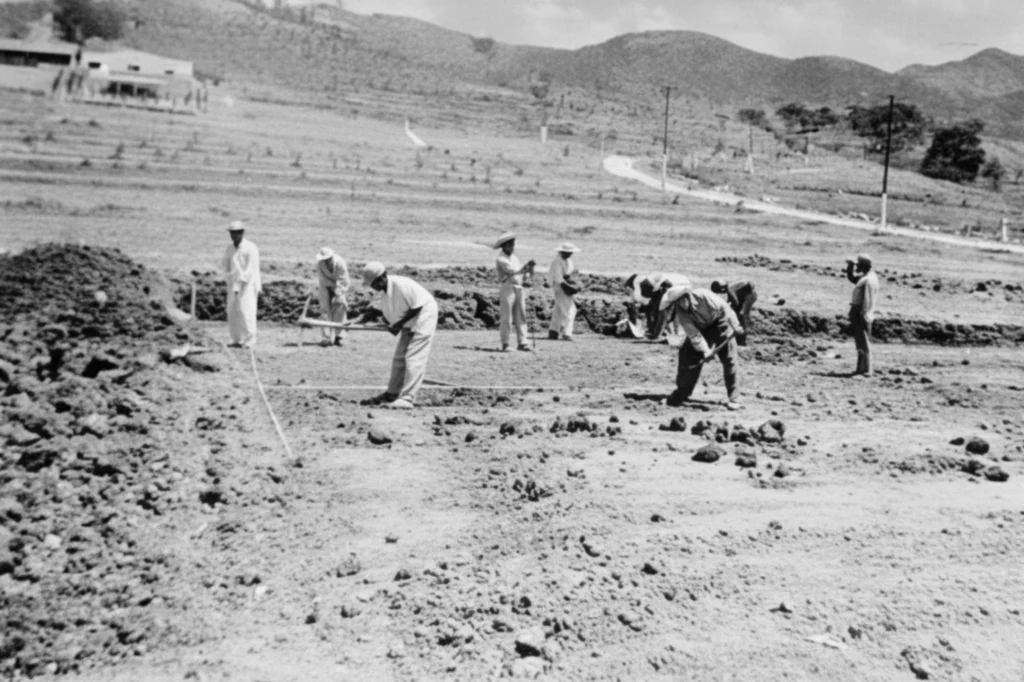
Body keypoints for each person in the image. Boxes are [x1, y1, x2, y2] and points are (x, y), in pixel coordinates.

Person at [361, 262, 438, 409]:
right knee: (399, 358)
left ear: (382, 277)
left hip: (424, 316)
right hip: (409, 319)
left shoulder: (402, 284)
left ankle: (408, 398)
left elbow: (418, 306)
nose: (373, 287)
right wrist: (354, 322)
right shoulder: (384, 292)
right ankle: (392, 393)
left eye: (374, 283)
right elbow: (375, 311)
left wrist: (398, 324)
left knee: (414, 358)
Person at [659, 285, 742, 410]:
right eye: (676, 304)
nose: (679, 306)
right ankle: (683, 392)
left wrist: (735, 325)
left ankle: (734, 397)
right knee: (686, 354)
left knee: (729, 358)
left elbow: (725, 308)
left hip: (721, 320)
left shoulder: (704, 296)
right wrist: (706, 351)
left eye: (679, 302)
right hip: (701, 328)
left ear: (687, 296)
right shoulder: (682, 313)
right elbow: (695, 335)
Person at [221, 220, 261, 347]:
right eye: (232, 233)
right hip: (232, 284)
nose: (234, 236)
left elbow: (251, 268)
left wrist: (240, 283)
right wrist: (229, 280)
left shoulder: (251, 247)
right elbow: (226, 265)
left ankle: (250, 338)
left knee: (246, 311)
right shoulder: (229, 248)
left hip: (247, 285)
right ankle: (236, 339)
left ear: (242, 233)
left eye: (237, 233)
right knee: (232, 311)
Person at [493, 232, 536, 351]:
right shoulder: (501, 259)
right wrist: (525, 267)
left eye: (513, 245)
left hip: (518, 286)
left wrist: (529, 269)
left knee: (521, 315)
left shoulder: (515, 258)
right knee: (507, 316)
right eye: (510, 245)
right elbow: (513, 272)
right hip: (508, 287)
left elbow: (522, 274)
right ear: (504, 246)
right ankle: (505, 343)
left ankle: (522, 342)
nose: (512, 247)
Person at [625, 272, 691, 339]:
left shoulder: (640, 282)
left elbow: (638, 297)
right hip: (674, 292)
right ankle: (669, 332)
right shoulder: (650, 281)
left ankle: (657, 334)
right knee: (668, 314)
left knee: (663, 315)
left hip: (669, 293)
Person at [846, 254, 880, 376]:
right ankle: (861, 368)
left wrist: (863, 312)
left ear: (865, 266)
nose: (856, 268)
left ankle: (867, 370)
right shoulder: (867, 277)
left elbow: (867, 298)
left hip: (861, 311)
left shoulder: (868, 280)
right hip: (860, 311)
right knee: (860, 341)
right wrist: (849, 267)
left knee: (863, 341)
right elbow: (853, 278)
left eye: (858, 265)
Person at [315, 246, 350, 346]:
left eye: (327, 259)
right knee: (325, 310)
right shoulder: (319, 264)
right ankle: (326, 337)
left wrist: (338, 293)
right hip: (325, 287)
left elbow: (343, 280)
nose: (326, 261)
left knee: (340, 307)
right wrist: (331, 286)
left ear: (331, 257)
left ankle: (339, 336)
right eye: (324, 259)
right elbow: (322, 279)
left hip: (340, 286)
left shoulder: (340, 263)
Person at [548, 242, 581, 340]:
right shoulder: (557, 262)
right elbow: (559, 279)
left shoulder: (568, 261)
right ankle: (567, 333)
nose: (570, 254)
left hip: (564, 286)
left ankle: (553, 331)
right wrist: (570, 288)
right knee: (571, 310)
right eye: (568, 252)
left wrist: (574, 282)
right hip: (560, 287)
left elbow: (568, 275)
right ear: (562, 252)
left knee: (558, 310)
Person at [710, 279, 757, 345]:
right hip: (738, 297)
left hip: (747, 298)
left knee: (742, 316)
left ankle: (741, 337)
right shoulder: (732, 289)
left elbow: (744, 312)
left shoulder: (749, 295)